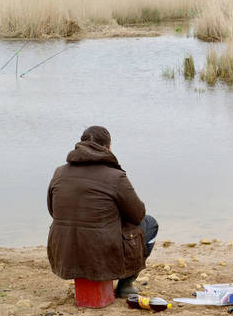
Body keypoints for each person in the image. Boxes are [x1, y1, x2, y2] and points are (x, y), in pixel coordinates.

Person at [47, 126, 158, 298]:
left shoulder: (59, 172)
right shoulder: (115, 176)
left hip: (64, 252)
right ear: (108, 148)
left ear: (80, 145)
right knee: (149, 223)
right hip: (102, 254)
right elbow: (137, 215)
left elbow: (53, 211)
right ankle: (126, 284)